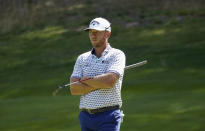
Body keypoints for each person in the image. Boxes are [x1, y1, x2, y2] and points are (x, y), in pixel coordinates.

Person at [70, 17, 126, 131]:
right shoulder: (82, 58)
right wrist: (99, 82)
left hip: (108, 115)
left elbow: (109, 81)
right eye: (91, 32)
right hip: (86, 117)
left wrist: (85, 81)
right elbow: (74, 88)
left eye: (97, 32)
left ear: (107, 34)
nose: (93, 35)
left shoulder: (116, 55)